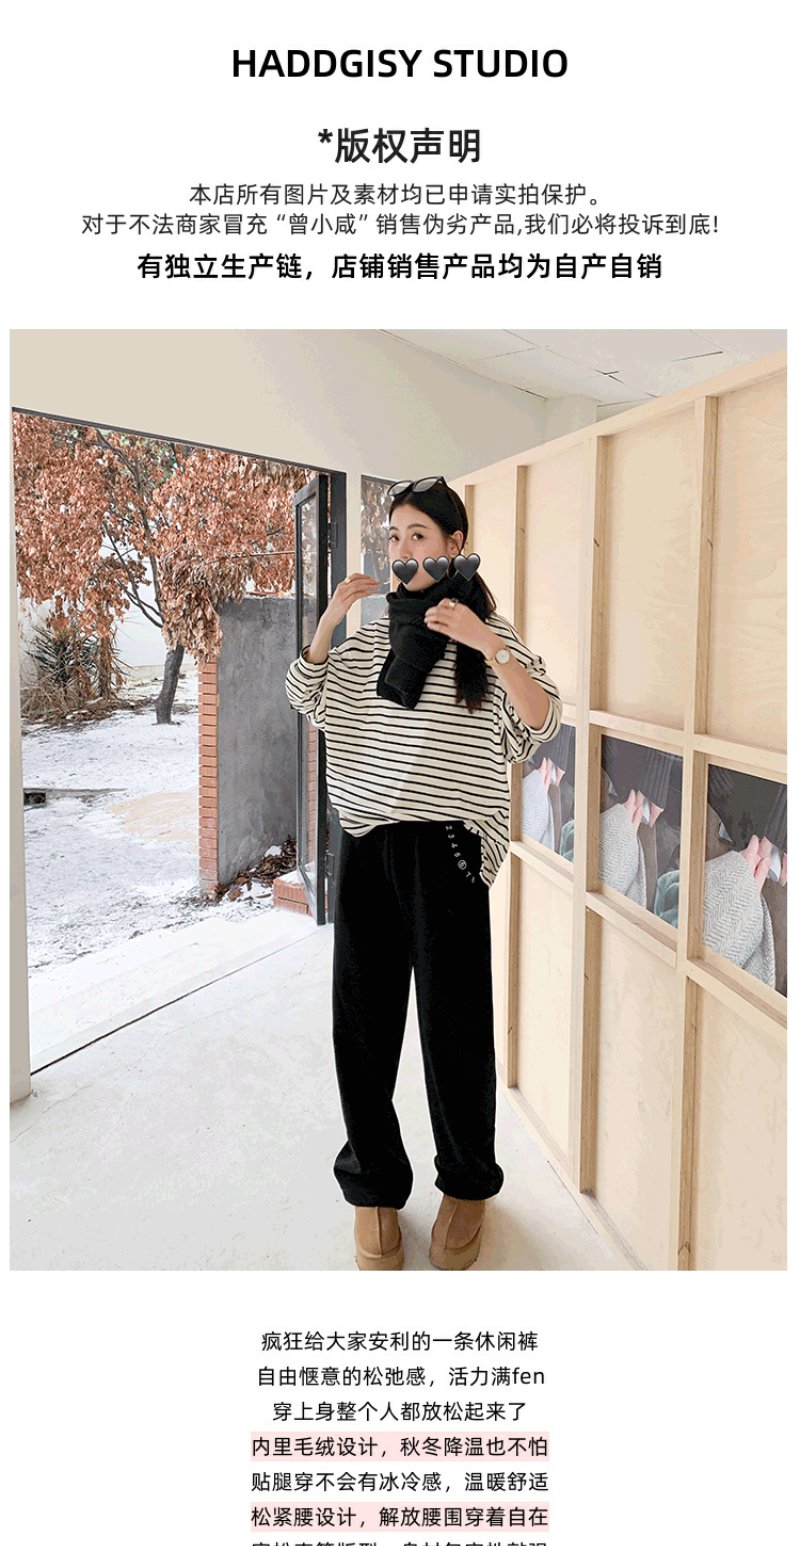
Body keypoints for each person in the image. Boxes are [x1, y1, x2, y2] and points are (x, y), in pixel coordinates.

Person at [285, 477, 562, 1270]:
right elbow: (307, 696)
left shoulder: (486, 632)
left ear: (453, 545)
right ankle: (373, 1186)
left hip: (446, 850)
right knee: (361, 1027)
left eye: (419, 536)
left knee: (455, 1029)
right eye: (395, 537)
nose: (402, 550)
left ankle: (468, 1184)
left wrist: (484, 642)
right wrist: (329, 622)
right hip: (367, 845)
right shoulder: (373, 636)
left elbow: (543, 719)